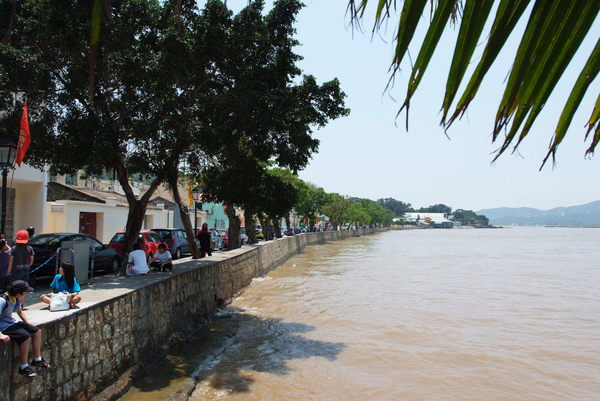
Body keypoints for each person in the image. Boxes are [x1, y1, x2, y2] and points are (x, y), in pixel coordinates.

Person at [0, 280, 52, 378]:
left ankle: (37, 359)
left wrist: (28, 325)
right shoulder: (2, 300)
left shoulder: (16, 298)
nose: (26, 294)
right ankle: (24, 367)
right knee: (25, 337)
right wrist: (1, 335)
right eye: (24, 292)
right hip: (4, 326)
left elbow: (20, 312)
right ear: (18, 293)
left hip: (11, 322)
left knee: (36, 331)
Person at [9, 230, 34, 302]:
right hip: (26, 269)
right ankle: (21, 304)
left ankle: (13, 303)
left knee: (14, 287)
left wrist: (9, 270)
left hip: (16, 270)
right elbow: (31, 259)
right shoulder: (29, 248)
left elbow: (11, 260)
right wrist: (28, 266)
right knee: (24, 287)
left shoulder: (14, 248)